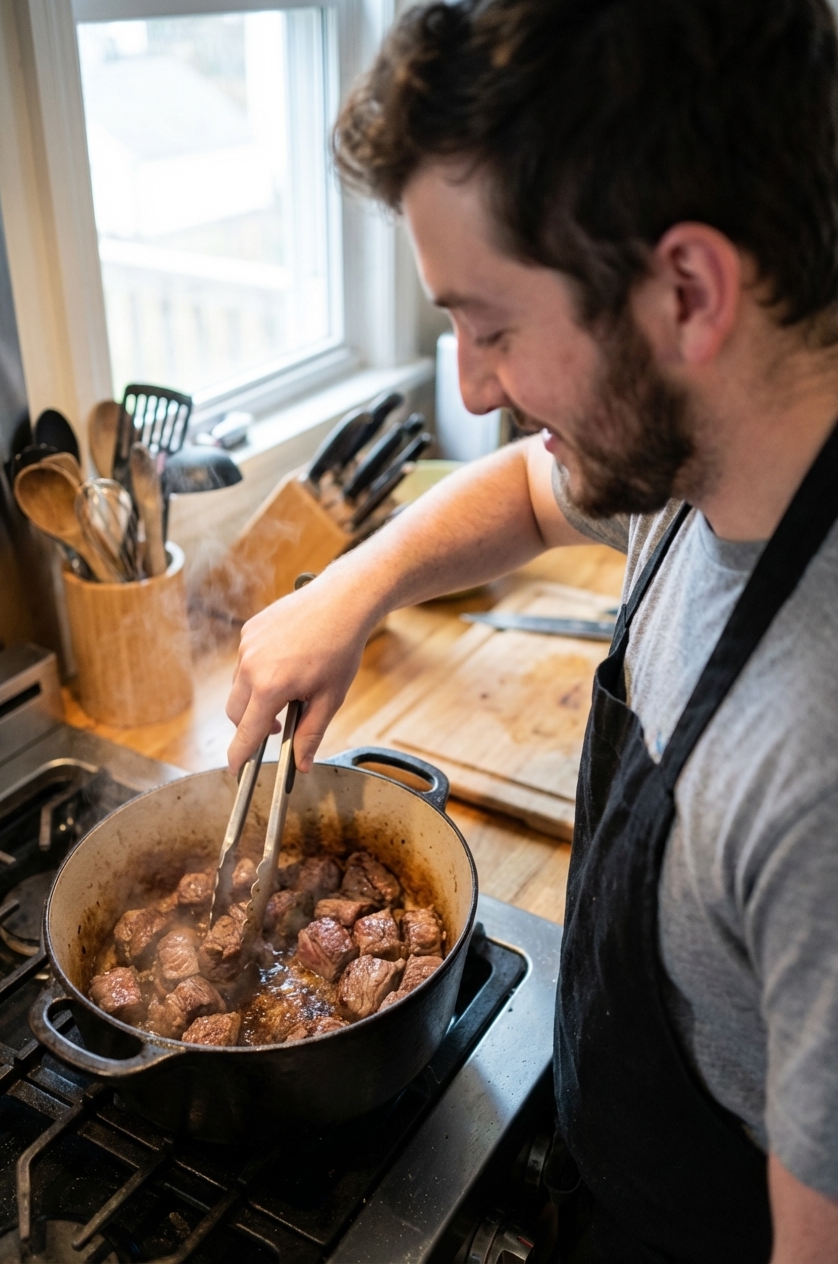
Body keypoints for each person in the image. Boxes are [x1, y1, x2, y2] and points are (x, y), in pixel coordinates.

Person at [226, 0, 838, 1258]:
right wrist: (348, 591)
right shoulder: (707, 452)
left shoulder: (813, 773)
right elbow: (525, 491)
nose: (471, 387)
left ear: (686, 290)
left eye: (491, 325)